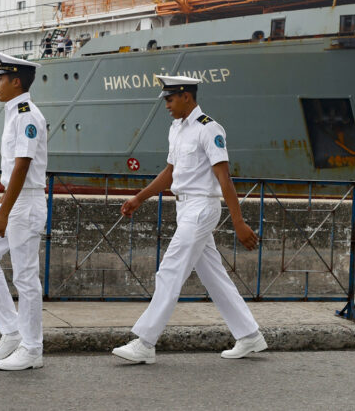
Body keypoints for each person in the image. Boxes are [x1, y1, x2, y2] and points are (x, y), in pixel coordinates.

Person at [112, 75, 266, 364]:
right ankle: (249, 335)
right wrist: (139, 198)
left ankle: (145, 342)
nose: (166, 105)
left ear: (186, 96)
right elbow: (170, 173)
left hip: (201, 208)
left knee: (170, 271)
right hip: (185, 208)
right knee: (214, 277)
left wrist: (238, 222)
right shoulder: (176, 129)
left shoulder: (209, 129)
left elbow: (224, 178)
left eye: (170, 99)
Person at [0, 51, 48, 371]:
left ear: (16, 81)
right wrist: (4, 207)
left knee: (26, 277)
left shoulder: (27, 115)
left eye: (0, 78)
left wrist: (4, 212)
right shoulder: (14, 112)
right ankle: (13, 332)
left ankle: (32, 348)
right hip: (13, 200)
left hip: (24, 203)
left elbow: (22, 166)